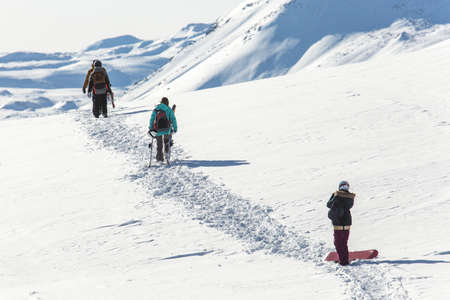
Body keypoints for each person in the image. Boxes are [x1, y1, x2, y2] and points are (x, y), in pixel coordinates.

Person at [327, 180, 355, 265]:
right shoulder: (350, 197)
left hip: (338, 223)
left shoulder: (336, 195)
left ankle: (343, 261)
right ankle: (344, 259)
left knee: (338, 243)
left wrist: (335, 196)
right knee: (344, 243)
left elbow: (328, 204)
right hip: (347, 222)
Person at [148, 97, 177, 162]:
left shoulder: (156, 109)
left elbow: (152, 120)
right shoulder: (169, 110)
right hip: (167, 130)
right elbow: (173, 119)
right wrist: (175, 128)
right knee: (167, 142)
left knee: (159, 144)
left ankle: (159, 158)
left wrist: (151, 128)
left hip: (157, 130)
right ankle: (166, 154)